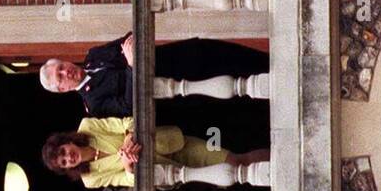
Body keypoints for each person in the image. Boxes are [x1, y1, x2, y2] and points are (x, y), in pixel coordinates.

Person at [39, 32, 270, 117]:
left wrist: (130, 55)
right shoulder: (93, 103)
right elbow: (128, 105)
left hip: (176, 56)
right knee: (236, 88)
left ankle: (272, 62)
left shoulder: (93, 55)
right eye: (61, 77)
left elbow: (127, 39)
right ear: (63, 89)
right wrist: (130, 65)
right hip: (178, 90)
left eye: (61, 66)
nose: (65, 71)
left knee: (232, 54)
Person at [40, 116, 268, 188]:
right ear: (67, 168)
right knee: (227, 180)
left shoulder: (87, 127)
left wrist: (128, 140)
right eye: (64, 162)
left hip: (168, 142)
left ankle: (279, 160)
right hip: (163, 171)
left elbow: (126, 121)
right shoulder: (89, 179)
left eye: (64, 151)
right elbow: (126, 180)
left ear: (67, 141)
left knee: (234, 161)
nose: (69, 157)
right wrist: (128, 165)